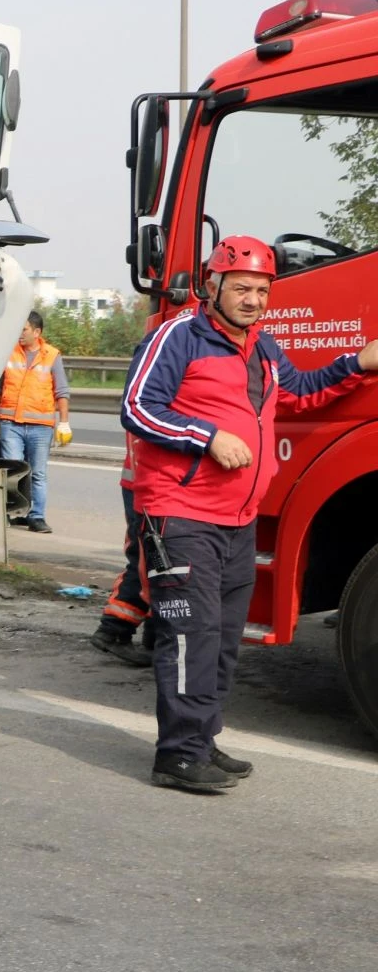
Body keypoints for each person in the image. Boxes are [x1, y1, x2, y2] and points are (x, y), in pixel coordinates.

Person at [121, 236, 378, 792]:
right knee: (188, 636)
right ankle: (177, 755)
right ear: (213, 286)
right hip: (181, 513)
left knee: (222, 637)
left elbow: (301, 394)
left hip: (237, 519)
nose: (253, 299)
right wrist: (207, 437)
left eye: (262, 290)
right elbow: (139, 406)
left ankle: (202, 740)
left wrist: (360, 361)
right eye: (241, 288)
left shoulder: (262, 347)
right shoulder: (179, 336)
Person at [0, 309, 69, 532]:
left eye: (23, 330)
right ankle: (11, 512)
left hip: (40, 426)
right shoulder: (9, 352)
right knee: (12, 469)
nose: (19, 334)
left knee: (38, 473)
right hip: (10, 423)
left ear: (37, 331)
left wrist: (64, 422)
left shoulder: (52, 355)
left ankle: (36, 516)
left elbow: (61, 391)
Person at [88, 438, 155, 667]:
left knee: (156, 564)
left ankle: (153, 636)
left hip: (150, 484)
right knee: (148, 561)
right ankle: (114, 630)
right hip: (151, 485)